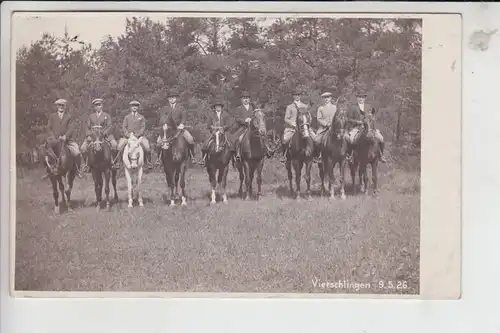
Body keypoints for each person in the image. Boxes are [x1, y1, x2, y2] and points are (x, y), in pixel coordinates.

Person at [43, 98, 84, 179]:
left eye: (62, 105)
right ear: (57, 106)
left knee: (77, 151)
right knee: (45, 151)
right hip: (55, 140)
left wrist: (66, 136)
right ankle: (48, 171)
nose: (61, 107)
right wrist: (53, 137)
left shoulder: (69, 116)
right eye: (59, 105)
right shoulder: (52, 116)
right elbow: (49, 128)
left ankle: (78, 170)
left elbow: (71, 128)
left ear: (65, 106)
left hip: (67, 141)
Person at [155, 88, 196, 164]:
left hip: (179, 129)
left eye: (173, 97)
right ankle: (158, 158)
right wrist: (164, 125)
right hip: (168, 130)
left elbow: (184, 117)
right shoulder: (164, 109)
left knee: (190, 139)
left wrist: (182, 124)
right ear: (168, 99)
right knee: (158, 141)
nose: (172, 99)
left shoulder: (181, 108)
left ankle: (192, 156)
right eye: (170, 98)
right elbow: (162, 118)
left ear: (176, 98)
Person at [345, 90, 386, 163]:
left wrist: (371, 119)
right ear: (357, 98)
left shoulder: (369, 106)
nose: (361, 99)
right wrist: (357, 122)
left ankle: (381, 155)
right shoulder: (353, 107)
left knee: (381, 138)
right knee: (350, 139)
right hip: (357, 128)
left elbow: (372, 118)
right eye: (359, 97)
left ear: (364, 98)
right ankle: (350, 155)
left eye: (362, 97)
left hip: (369, 128)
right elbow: (348, 119)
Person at [80, 98, 119, 171]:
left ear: (102, 106)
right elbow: (87, 127)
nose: (98, 107)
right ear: (94, 107)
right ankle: (86, 164)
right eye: (96, 105)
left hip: (105, 135)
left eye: (99, 105)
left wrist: (105, 132)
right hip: (93, 136)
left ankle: (114, 163)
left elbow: (110, 126)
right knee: (82, 148)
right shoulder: (91, 116)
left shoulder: (106, 115)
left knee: (114, 145)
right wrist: (88, 135)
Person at [117, 100, 153, 169]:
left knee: (147, 147)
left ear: (138, 107)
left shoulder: (141, 117)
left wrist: (137, 135)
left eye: (136, 106)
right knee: (119, 146)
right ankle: (118, 163)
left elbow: (143, 127)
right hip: (128, 136)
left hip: (139, 136)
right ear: (130, 107)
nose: (134, 107)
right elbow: (124, 127)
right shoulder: (127, 117)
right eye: (133, 106)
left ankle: (148, 163)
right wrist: (128, 134)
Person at [198, 99, 234, 166]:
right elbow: (208, 124)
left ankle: (234, 158)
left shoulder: (226, 115)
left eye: (219, 106)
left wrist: (223, 128)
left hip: (223, 131)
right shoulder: (211, 115)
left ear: (221, 107)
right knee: (206, 143)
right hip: (214, 132)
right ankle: (204, 159)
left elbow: (228, 124)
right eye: (216, 106)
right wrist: (212, 127)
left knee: (231, 143)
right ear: (214, 107)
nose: (218, 107)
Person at [280, 89, 312, 163]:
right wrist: (292, 123)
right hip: (292, 128)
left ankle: (315, 155)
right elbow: (286, 118)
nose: (297, 96)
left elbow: (309, 117)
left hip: (303, 127)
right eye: (295, 95)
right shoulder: (290, 107)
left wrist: (307, 123)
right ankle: (285, 155)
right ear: (293, 96)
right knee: (285, 139)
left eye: (298, 95)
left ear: (300, 96)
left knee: (315, 138)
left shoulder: (305, 106)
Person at [313, 91, 338, 163]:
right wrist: (326, 124)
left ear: (330, 98)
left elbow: (337, 118)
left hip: (334, 128)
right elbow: (319, 118)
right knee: (316, 140)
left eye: (328, 97)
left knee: (345, 137)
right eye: (325, 98)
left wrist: (334, 125)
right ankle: (318, 156)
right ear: (323, 99)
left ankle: (346, 154)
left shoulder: (335, 107)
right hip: (323, 128)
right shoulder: (320, 108)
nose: (326, 99)